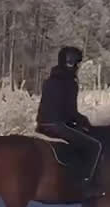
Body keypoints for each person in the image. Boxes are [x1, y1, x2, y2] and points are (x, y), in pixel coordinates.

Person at [36, 46, 103, 198]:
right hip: (56, 125)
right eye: (77, 63)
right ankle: (85, 185)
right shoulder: (69, 82)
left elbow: (56, 106)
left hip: (43, 124)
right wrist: (83, 121)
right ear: (70, 62)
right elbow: (69, 111)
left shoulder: (51, 79)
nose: (78, 67)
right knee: (94, 146)